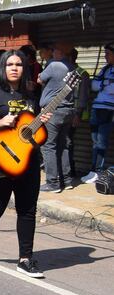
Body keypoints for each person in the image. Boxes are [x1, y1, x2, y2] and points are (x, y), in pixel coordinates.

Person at [0, 50, 52, 278]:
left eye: (19, 64)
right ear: (2, 67)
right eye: (10, 64)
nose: (14, 68)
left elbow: (29, 131)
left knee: (27, 209)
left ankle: (25, 259)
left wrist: (41, 123)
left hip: (28, 161)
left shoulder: (31, 95)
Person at [38, 42, 75, 193]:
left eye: (54, 50)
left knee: (48, 146)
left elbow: (40, 79)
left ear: (60, 52)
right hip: (67, 110)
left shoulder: (54, 65)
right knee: (63, 146)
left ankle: (52, 183)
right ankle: (67, 181)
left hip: (53, 110)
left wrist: (41, 76)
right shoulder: (72, 68)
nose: (52, 53)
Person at [82, 42, 114, 184]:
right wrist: (105, 84)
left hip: (109, 109)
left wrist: (105, 85)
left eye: (108, 53)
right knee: (95, 141)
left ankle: (98, 172)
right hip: (97, 108)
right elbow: (94, 85)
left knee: (102, 141)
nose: (105, 56)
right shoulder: (106, 68)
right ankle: (93, 171)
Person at [69, 48, 91, 177]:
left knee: (68, 141)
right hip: (66, 113)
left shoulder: (81, 73)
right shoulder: (67, 72)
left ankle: (70, 170)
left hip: (74, 113)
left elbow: (83, 96)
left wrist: (78, 114)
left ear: (70, 58)